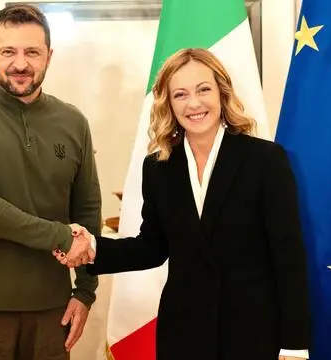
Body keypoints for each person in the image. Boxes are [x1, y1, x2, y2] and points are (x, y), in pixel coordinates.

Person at [55, 48, 311, 360]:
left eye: (203, 89)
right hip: (184, 336)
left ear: (222, 92)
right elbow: (153, 247)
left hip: (255, 335)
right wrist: (92, 247)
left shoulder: (266, 160)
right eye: (180, 94)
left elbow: (289, 259)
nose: (194, 103)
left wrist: (294, 345)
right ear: (168, 103)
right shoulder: (158, 168)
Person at [0, 4, 101, 360]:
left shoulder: (73, 122)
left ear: (49, 56)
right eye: (7, 51)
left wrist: (85, 290)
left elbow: (87, 209)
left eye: (32, 52)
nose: (20, 64)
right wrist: (60, 237)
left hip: (51, 309)